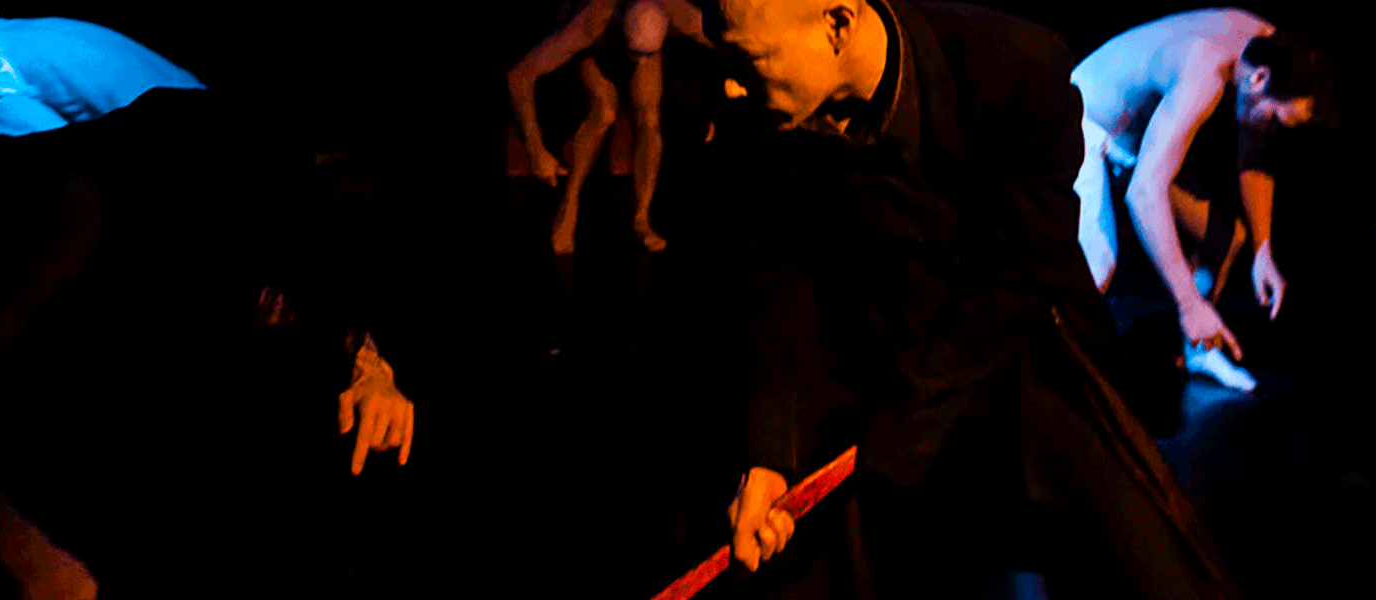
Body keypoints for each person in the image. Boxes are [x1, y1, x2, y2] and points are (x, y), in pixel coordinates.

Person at [0, 15, 411, 599]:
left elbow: (326, 249)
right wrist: (37, 565)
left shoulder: (258, 178)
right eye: (284, 299)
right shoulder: (85, 202)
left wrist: (371, 367)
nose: (282, 311)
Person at [705, 1, 1237, 597]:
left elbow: (1028, 267)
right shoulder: (760, 115)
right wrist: (770, 455)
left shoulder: (1014, 65)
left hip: (1018, 352)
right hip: (869, 371)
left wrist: (910, 411)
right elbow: (777, 276)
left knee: (1156, 570)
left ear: (837, 25)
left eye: (748, 60)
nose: (729, 87)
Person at [1070, 8, 1330, 392]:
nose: (1270, 130)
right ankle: (1038, 369)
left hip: (1133, 138)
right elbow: (1144, 194)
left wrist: (1263, 249)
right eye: (1274, 119)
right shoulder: (1203, 73)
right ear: (1259, 79)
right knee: (1098, 264)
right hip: (1084, 118)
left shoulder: (1265, 47)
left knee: (1223, 238)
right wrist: (1189, 304)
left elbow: (1254, 156)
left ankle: (1198, 349)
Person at [508, 0, 712, 253]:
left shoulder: (680, 14)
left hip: (638, 31)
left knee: (649, 120)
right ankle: (569, 203)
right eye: (635, 55)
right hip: (597, 38)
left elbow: (731, 45)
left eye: (645, 55)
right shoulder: (589, 24)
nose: (638, 64)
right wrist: (535, 149)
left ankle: (641, 219)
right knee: (603, 111)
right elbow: (518, 77)